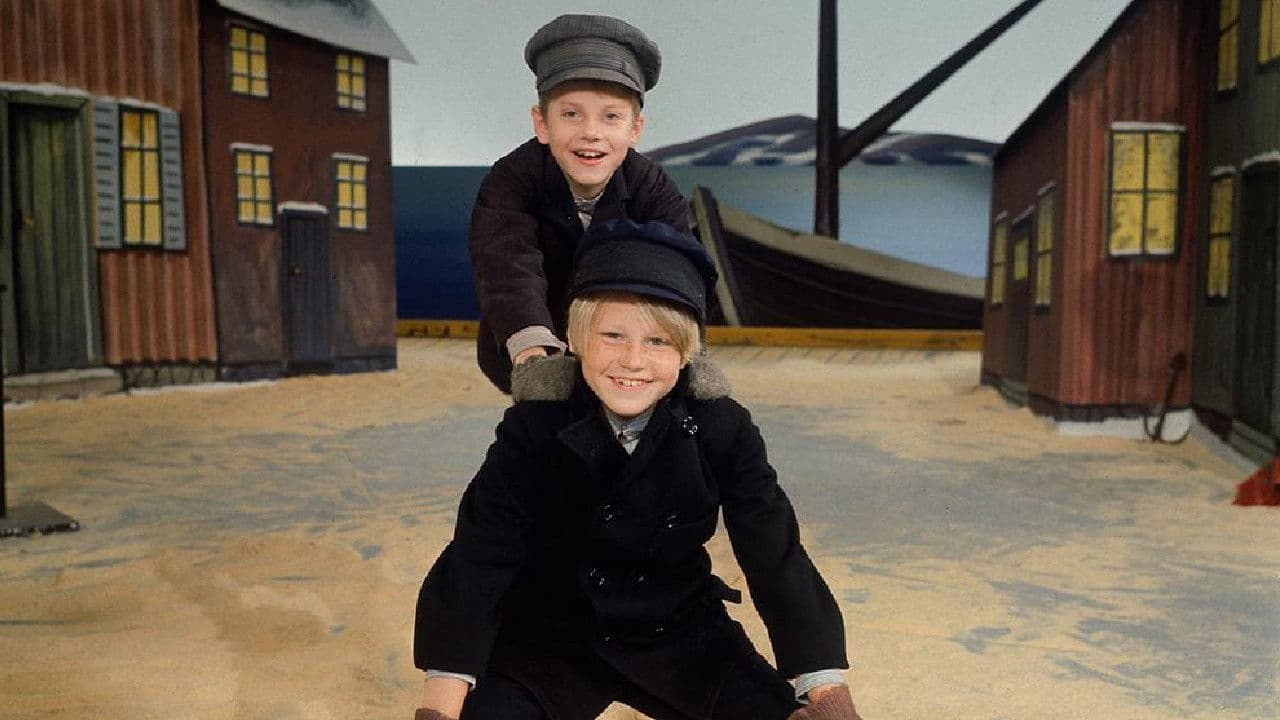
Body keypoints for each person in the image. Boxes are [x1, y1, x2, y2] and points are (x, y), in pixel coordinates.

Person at [414, 219, 863, 720]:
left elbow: (774, 552)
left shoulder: (723, 427)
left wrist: (825, 691)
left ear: (688, 353)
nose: (632, 360)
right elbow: (479, 556)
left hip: (679, 634)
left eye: (657, 342)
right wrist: (440, 709)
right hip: (548, 639)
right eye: (612, 335)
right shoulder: (534, 427)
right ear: (577, 339)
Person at [469, 14, 692, 394]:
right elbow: (507, 267)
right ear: (542, 123)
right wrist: (533, 357)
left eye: (611, 117)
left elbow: (681, 273)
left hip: (624, 351)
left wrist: (690, 357)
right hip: (534, 339)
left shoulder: (654, 188)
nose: (591, 133)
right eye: (571, 114)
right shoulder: (510, 180)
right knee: (544, 418)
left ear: (635, 129)